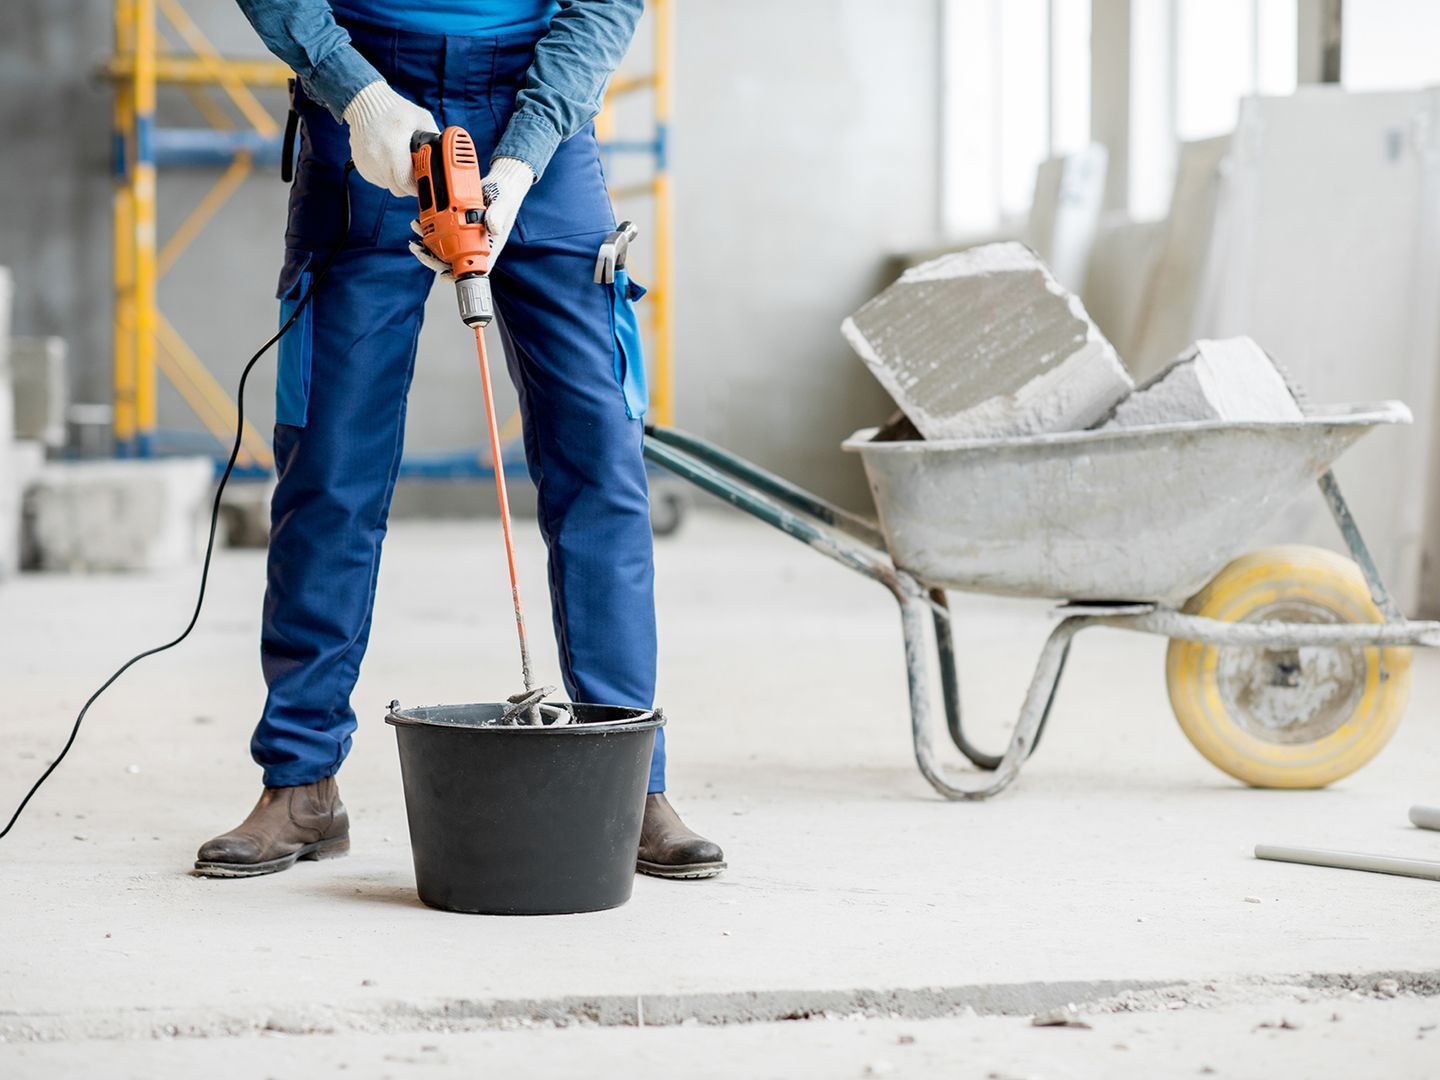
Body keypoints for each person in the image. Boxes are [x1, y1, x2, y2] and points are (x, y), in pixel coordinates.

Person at [194, 0, 724, 881]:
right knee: (330, 467)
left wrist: (525, 151)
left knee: (600, 460)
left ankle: (629, 780)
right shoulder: (361, 102)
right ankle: (302, 784)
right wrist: (355, 94)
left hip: (535, 95)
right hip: (370, 101)